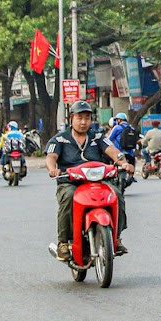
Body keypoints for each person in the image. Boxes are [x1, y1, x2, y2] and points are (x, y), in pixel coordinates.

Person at [44, 101, 132, 261]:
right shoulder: (60, 139)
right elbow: (51, 157)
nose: (83, 122)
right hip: (70, 182)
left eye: (87, 118)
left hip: (97, 181)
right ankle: (63, 243)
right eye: (79, 118)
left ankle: (116, 238)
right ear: (71, 118)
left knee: (116, 194)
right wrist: (52, 169)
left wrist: (123, 162)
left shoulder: (98, 137)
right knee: (68, 197)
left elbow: (113, 151)